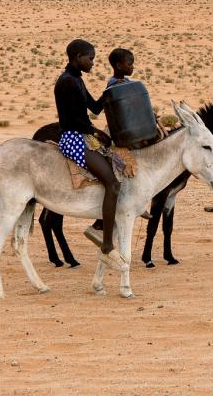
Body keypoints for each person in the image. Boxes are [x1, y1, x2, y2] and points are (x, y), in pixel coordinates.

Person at [54, 39, 128, 271]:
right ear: (78, 57)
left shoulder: (76, 79)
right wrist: (96, 132)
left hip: (84, 134)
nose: (93, 63)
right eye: (90, 58)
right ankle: (106, 245)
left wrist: (112, 87)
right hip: (73, 138)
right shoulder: (67, 82)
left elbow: (95, 108)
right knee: (112, 184)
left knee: (119, 167)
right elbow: (73, 120)